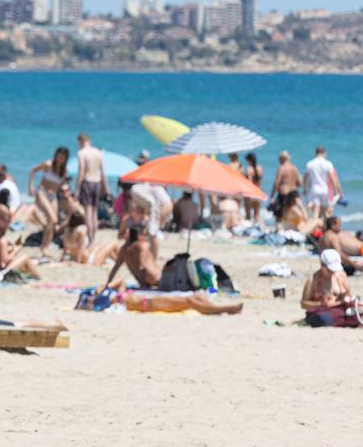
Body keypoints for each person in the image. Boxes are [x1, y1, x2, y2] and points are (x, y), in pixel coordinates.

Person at [102, 229, 243, 314]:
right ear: (139, 236)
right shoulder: (142, 246)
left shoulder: (117, 293)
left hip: (147, 293)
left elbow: (117, 272)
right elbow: (143, 266)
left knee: (195, 297)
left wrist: (107, 286)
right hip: (151, 296)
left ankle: (220, 306)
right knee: (190, 300)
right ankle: (222, 309)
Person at [27, 147, 69, 257]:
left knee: (52, 222)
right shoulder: (48, 164)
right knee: (53, 218)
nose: (60, 158)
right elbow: (33, 171)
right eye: (59, 155)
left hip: (52, 196)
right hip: (42, 192)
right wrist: (31, 187)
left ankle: (44, 247)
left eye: (63, 157)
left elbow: (60, 185)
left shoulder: (64, 171)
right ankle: (44, 244)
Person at [301, 249, 354, 316]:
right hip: (321, 314)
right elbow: (303, 304)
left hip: (340, 312)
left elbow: (350, 297)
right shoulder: (313, 281)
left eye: (335, 270)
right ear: (322, 265)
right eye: (330, 270)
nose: (333, 272)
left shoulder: (341, 276)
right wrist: (321, 304)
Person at [76, 133, 106, 244]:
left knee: (88, 211)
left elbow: (82, 171)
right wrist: (105, 187)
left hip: (87, 182)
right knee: (95, 212)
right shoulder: (98, 152)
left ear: (80, 141)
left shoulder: (81, 153)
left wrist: (77, 188)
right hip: (97, 182)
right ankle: (93, 238)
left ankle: (90, 238)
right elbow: (103, 172)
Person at [304, 146, 340, 219]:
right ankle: (324, 227)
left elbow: (305, 178)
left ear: (316, 153)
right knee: (325, 212)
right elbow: (333, 178)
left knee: (316, 211)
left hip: (314, 190)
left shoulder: (310, 163)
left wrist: (305, 189)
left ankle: (315, 228)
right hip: (324, 190)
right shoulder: (328, 163)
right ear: (324, 153)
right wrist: (336, 191)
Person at [243, 153, 264, 222]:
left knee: (248, 215)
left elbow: (249, 183)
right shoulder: (260, 168)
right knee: (257, 215)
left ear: (249, 160)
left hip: (250, 193)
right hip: (258, 192)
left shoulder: (249, 169)